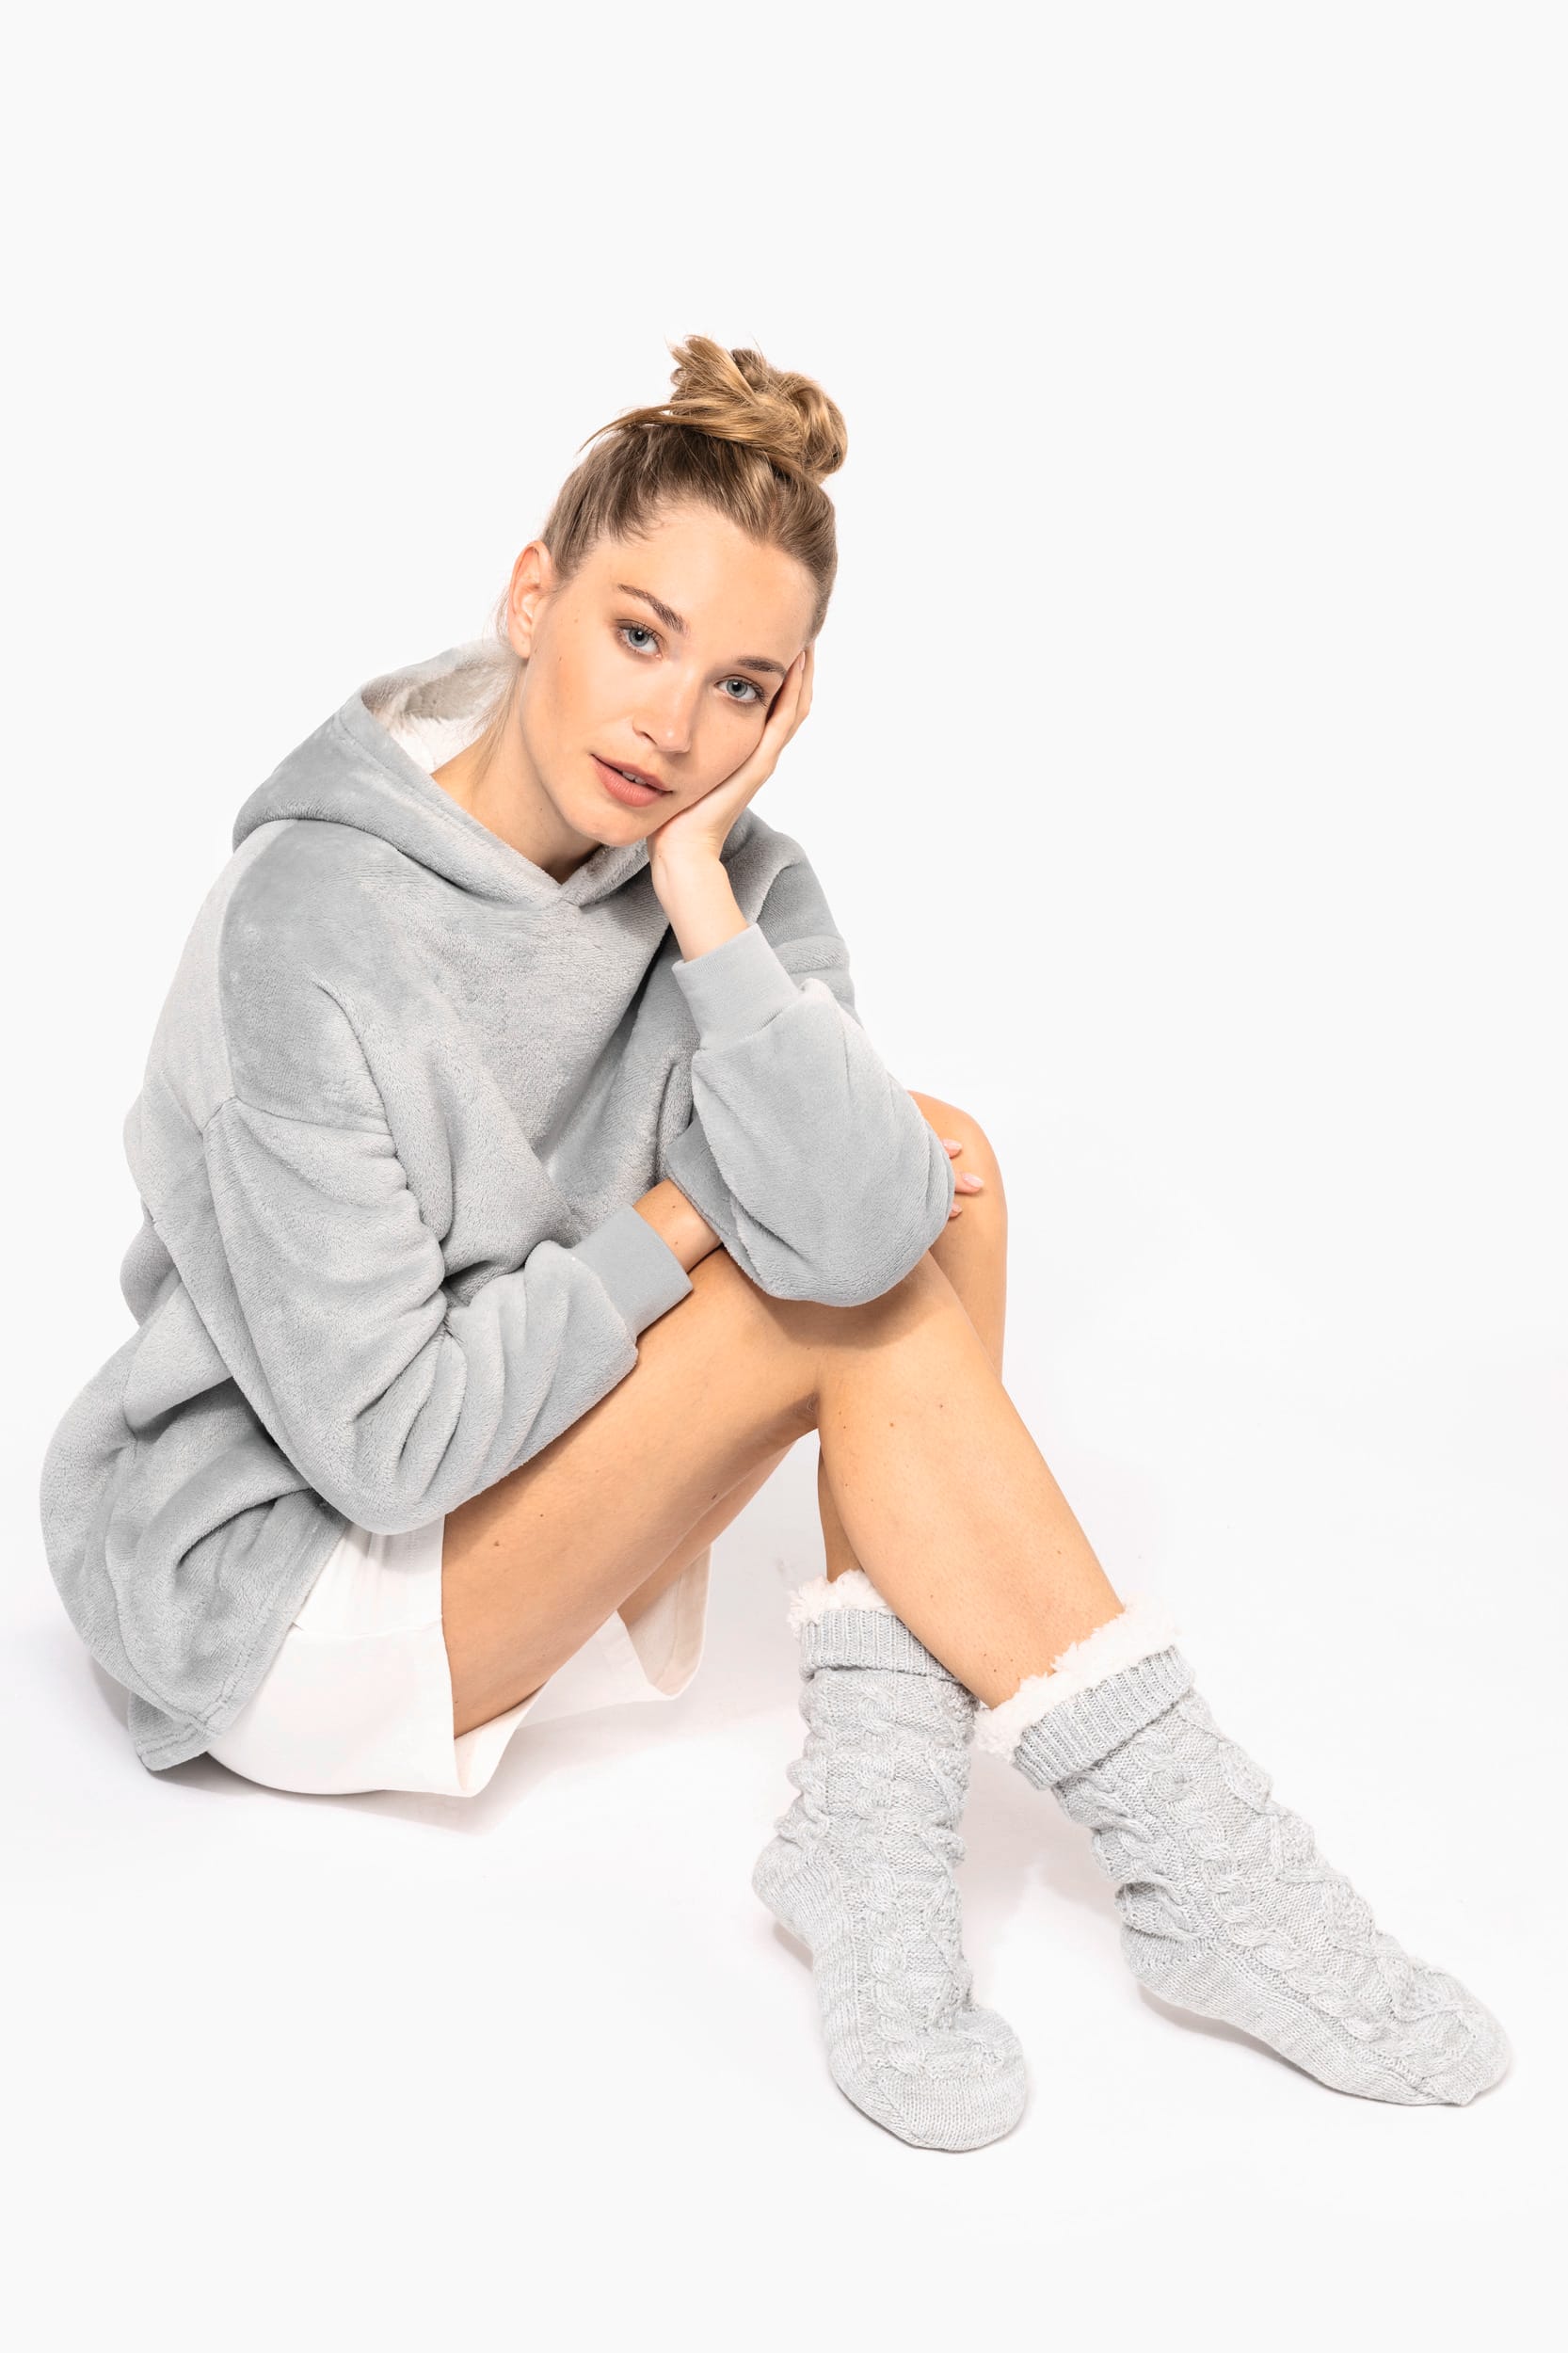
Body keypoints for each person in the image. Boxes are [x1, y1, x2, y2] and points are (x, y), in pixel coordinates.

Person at [38, 334, 1510, 2152]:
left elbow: (882, 1220)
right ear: (532, 597)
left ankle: (876, 1842)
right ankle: (1191, 1852)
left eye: (737, 684)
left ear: (786, 708)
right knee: (811, 1291)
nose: (670, 727)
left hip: (502, 1495)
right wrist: (673, 1225)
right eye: (637, 635)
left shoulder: (730, 879)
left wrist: (700, 906)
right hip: (270, 1591)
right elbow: (384, 1447)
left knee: (943, 1166)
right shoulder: (310, 924)